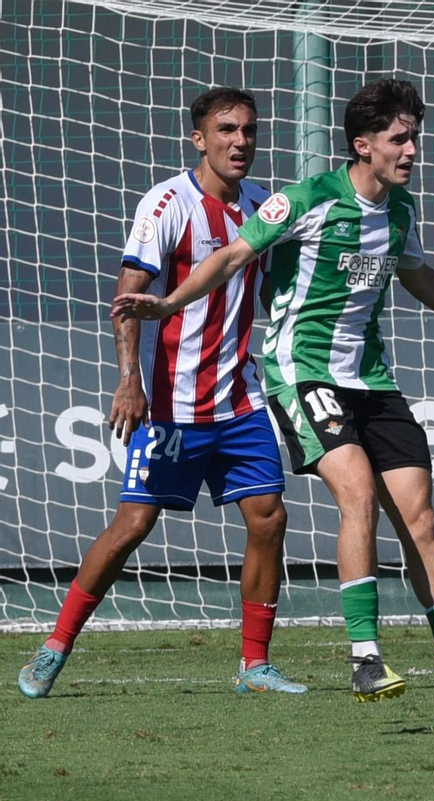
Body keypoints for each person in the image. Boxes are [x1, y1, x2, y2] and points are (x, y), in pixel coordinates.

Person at [113, 78, 434, 725]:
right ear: (362, 145)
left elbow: (418, 274)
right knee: (357, 495)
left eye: (414, 137)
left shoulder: (400, 210)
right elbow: (231, 256)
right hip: (302, 374)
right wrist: (168, 304)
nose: (412, 149)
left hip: (372, 381)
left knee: (421, 521)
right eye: (399, 138)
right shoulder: (305, 200)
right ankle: (365, 657)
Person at [19, 88, 303, 699]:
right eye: (226, 130)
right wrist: (129, 380)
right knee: (132, 525)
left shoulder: (263, 206)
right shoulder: (168, 203)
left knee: (268, 516)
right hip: (171, 402)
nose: (240, 141)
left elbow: (275, 290)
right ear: (199, 139)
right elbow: (128, 296)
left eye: (249, 130)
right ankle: (54, 646)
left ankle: (254, 665)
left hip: (240, 398)